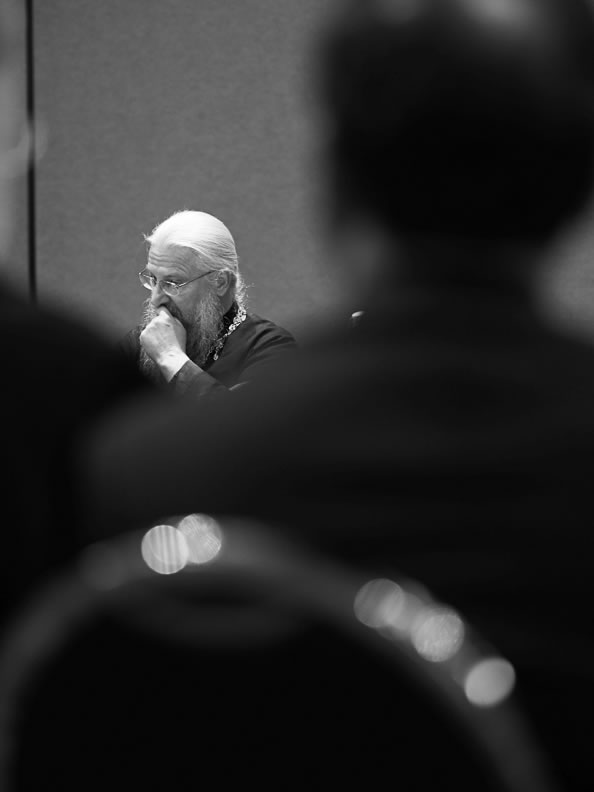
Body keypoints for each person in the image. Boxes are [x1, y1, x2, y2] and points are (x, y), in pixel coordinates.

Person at [83, 1, 594, 789]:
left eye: (173, 282)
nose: (156, 298)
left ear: (335, 184)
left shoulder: (153, 480)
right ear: (575, 185)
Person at [0, 1, 153, 633]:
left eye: (179, 278)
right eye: (156, 276)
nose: (161, 292)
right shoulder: (80, 389)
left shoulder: (265, 346)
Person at [120, 209, 297, 397]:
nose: (156, 299)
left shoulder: (268, 347)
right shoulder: (139, 343)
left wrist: (171, 358)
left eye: (173, 283)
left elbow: (241, 415)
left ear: (220, 282)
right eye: (153, 279)